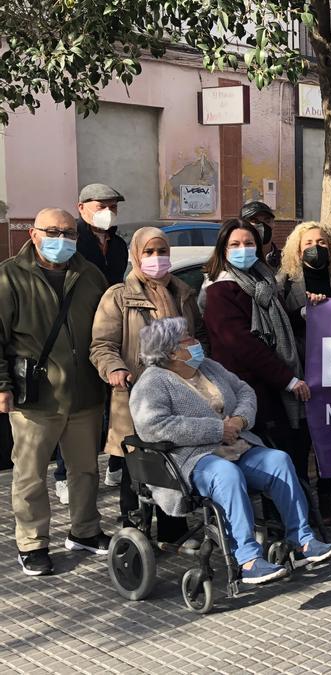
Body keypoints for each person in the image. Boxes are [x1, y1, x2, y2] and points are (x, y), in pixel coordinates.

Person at [129, 318, 331, 585]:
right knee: (226, 475)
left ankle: (303, 542)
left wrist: (240, 420)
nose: (196, 343)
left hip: (236, 445)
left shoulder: (209, 367)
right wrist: (216, 430)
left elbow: (244, 391)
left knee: (279, 461)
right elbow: (153, 426)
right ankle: (248, 560)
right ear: (171, 352)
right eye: (188, 339)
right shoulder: (152, 383)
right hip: (191, 459)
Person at [0, 208, 110, 576]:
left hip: (84, 393)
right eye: (53, 231)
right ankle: (32, 542)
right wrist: (2, 384)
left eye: (68, 233)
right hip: (36, 396)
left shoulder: (90, 275)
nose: (61, 239)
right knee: (30, 474)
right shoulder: (10, 277)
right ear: (33, 234)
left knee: (85, 471)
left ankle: (85, 531)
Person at [90, 226, 206, 547]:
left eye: (162, 251)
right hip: (136, 395)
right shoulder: (118, 297)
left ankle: (174, 531)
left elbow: (201, 334)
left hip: (180, 394)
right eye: (149, 252)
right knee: (137, 467)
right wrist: (114, 369)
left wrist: (198, 357)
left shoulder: (183, 293)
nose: (157, 258)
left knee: (174, 461)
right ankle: (135, 533)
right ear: (136, 256)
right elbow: (102, 345)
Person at [200, 219, 313, 507]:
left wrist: (301, 313)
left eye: (249, 243)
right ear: (223, 250)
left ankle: (291, 520)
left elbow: (279, 324)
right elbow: (241, 344)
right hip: (246, 390)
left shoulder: (264, 282)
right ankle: (279, 524)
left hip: (269, 387)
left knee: (284, 455)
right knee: (268, 459)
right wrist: (287, 379)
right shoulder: (220, 289)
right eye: (235, 245)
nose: (243, 249)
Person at [278, 221, 331, 524]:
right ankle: (302, 501)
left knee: (330, 440)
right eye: (308, 243)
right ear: (296, 247)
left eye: (321, 243)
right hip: (302, 369)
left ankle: (327, 496)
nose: (315, 248)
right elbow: (278, 326)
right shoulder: (284, 282)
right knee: (301, 439)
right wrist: (302, 313)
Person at [75, 182, 128, 490]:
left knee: (117, 402)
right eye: (101, 206)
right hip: (81, 332)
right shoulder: (75, 242)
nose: (108, 213)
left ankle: (116, 463)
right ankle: (64, 475)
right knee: (80, 407)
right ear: (82, 208)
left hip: (112, 330)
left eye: (113, 207)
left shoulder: (119, 244)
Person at [240, 201, 283, 268]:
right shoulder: (237, 260)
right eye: (255, 221)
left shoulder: (286, 261)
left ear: (273, 224)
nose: (262, 226)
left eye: (267, 221)